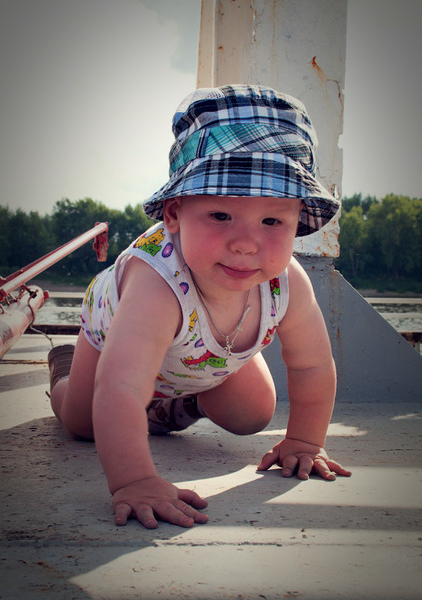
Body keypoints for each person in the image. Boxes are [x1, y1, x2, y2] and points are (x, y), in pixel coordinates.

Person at [48, 85, 352, 530]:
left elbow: (312, 366)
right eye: (221, 215)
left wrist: (305, 442)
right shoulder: (156, 283)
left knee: (253, 413)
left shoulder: (287, 284)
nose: (246, 243)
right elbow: (120, 386)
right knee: (83, 424)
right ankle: (64, 366)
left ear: (296, 220)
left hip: (201, 352)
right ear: (174, 214)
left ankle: (175, 402)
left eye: (272, 220)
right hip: (116, 345)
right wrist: (136, 480)